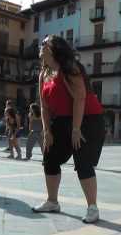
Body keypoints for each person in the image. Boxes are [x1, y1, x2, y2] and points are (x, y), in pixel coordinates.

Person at [32, 35, 105, 224]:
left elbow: (80, 98)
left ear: (54, 48)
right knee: (50, 157)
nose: (41, 46)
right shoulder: (44, 74)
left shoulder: (70, 69)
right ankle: (52, 201)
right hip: (62, 119)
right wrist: (47, 130)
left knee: (82, 161)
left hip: (88, 119)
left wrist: (76, 129)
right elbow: (44, 107)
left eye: (44, 43)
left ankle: (92, 208)